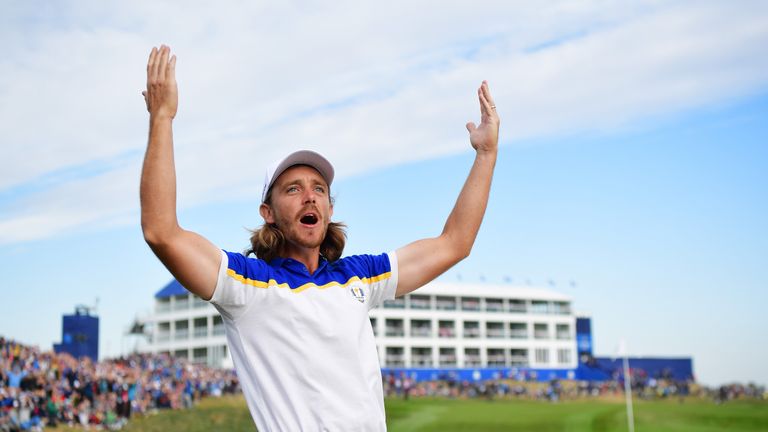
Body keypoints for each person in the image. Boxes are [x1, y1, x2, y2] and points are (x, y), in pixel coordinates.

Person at [140, 44, 499, 431]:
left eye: (318, 188)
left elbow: (455, 242)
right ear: (269, 213)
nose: (310, 195)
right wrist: (162, 117)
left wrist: (486, 153)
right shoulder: (248, 285)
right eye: (292, 189)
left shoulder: (359, 276)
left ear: (329, 209)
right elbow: (161, 232)